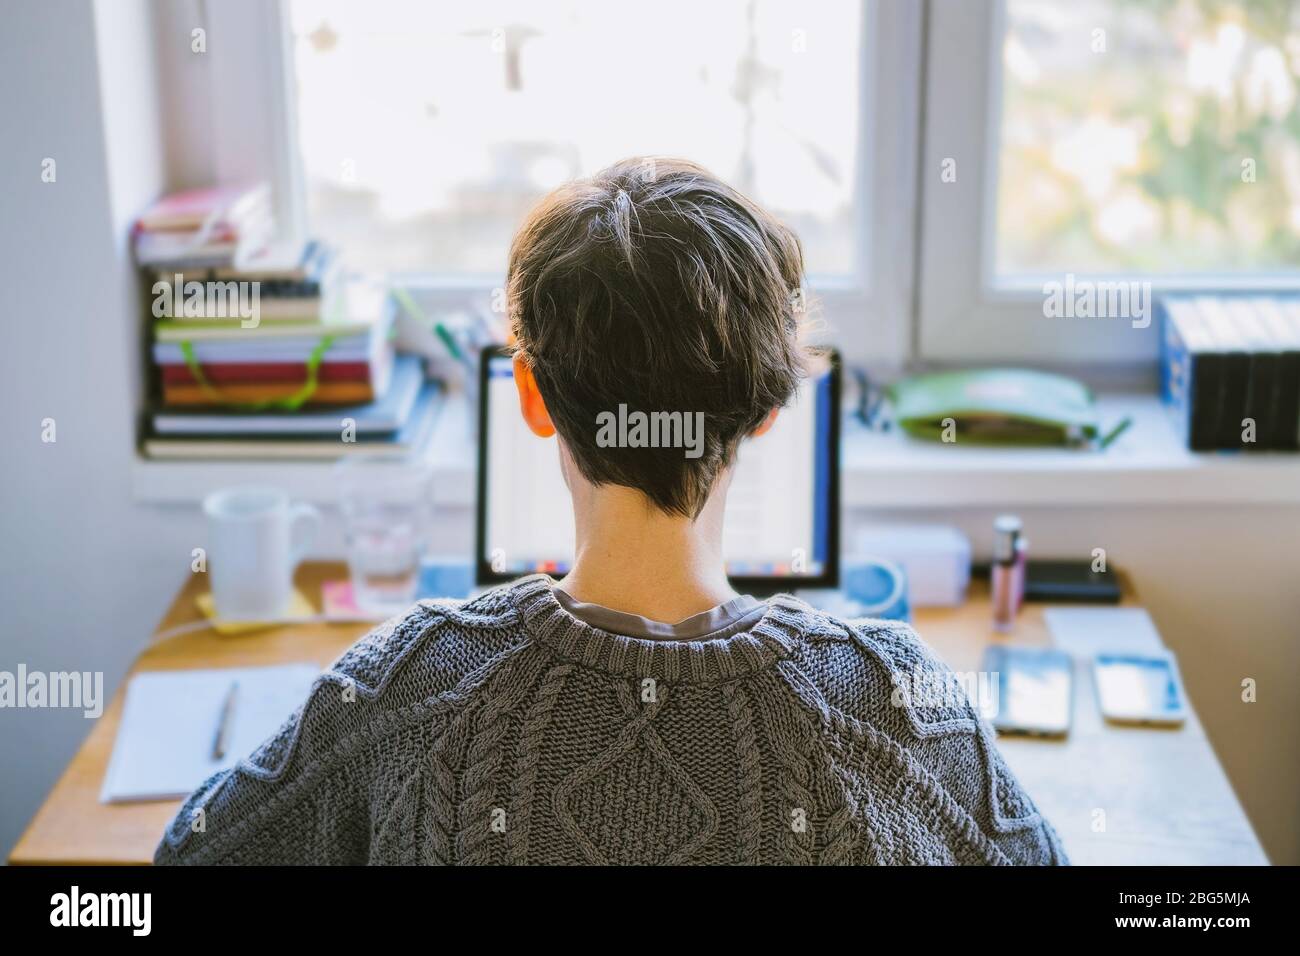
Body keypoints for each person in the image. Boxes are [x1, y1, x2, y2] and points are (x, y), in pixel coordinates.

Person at [156, 158, 1066, 865]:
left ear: (531, 397)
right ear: (768, 409)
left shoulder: (413, 686)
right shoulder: (892, 705)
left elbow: (185, 857)